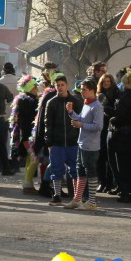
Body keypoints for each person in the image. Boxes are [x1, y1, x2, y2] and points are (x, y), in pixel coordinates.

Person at [64, 78, 104, 211]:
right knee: (80, 170)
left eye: (84, 90)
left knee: (90, 171)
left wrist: (81, 124)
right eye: (81, 89)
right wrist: (71, 113)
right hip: (82, 143)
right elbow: (80, 119)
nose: (81, 92)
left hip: (91, 145)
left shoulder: (97, 106)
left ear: (92, 90)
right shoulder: (87, 103)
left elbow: (98, 126)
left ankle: (91, 201)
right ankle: (77, 199)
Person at [43, 74, 82, 206]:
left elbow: (80, 119)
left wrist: (78, 137)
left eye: (62, 85)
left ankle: (77, 196)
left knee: (75, 170)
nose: (60, 87)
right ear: (54, 87)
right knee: (56, 169)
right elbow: (48, 123)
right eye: (57, 85)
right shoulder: (51, 102)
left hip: (73, 141)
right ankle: (57, 195)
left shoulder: (76, 101)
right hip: (57, 142)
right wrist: (49, 142)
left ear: (67, 85)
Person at [108, 70, 131, 203]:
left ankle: (125, 193)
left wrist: (112, 118)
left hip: (122, 135)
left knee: (122, 166)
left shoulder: (123, 97)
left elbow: (121, 117)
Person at [9, 75, 40, 194]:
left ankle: (29, 183)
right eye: (35, 86)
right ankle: (27, 184)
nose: (37, 88)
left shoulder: (21, 99)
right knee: (34, 159)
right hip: (29, 136)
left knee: (29, 159)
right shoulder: (30, 102)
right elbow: (28, 122)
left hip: (24, 135)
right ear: (30, 88)